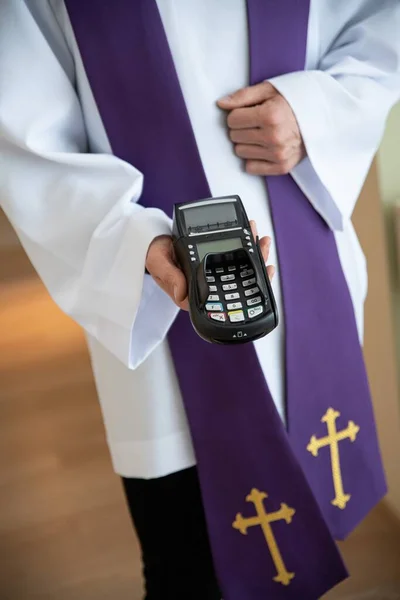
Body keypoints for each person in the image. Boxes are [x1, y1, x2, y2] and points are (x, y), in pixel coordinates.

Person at [1, 1, 400, 598]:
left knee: (309, 529)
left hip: (306, 263)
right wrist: (134, 239)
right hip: (158, 288)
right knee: (189, 563)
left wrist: (317, 113)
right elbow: (19, 113)